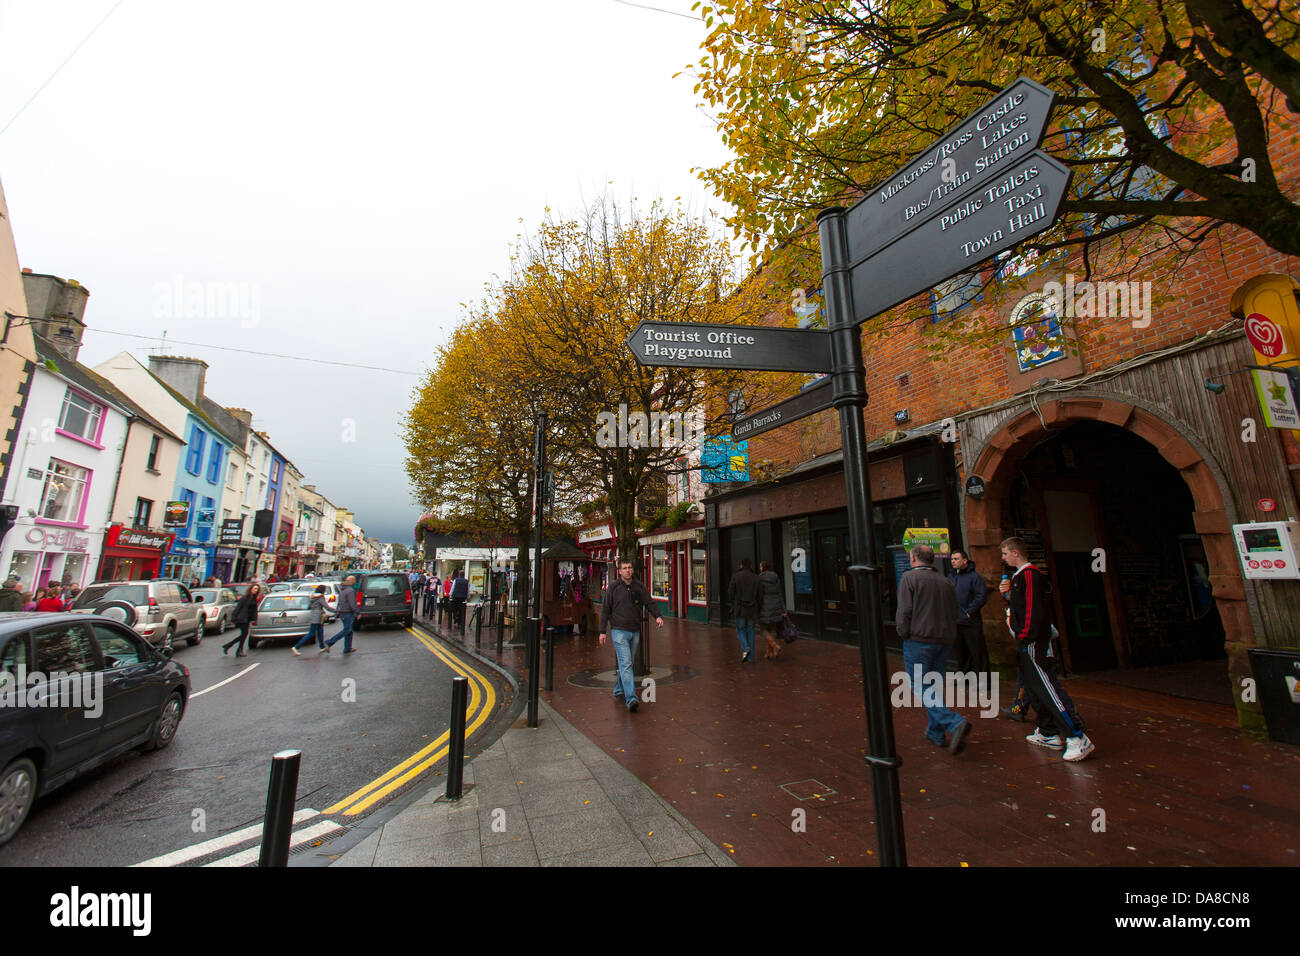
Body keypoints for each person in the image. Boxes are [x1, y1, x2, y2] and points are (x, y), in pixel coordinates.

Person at [1000, 537, 1094, 761]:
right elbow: (1021, 605)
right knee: (1033, 688)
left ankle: (1076, 736)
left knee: (1045, 686)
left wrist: (1025, 635)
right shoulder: (1018, 577)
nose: (1003, 558)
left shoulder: (1030, 575)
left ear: (1015, 553)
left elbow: (1032, 609)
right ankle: (1047, 732)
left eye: (1005, 553)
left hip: (1032, 641)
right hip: (1026, 640)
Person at [896, 544, 971, 755]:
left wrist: (903, 632)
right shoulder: (945, 581)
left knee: (919, 686)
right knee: (933, 686)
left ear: (913, 559)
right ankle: (935, 733)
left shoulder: (909, 579)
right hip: (944, 639)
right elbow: (953, 610)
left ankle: (953, 722)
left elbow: (905, 610)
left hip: (919, 639)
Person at [598, 559, 664, 713]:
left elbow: (649, 602)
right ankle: (631, 698)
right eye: (624, 568)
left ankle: (618, 689)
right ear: (619, 571)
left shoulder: (638, 587)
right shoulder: (613, 588)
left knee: (627, 663)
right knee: (627, 663)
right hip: (618, 630)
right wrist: (602, 632)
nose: (627, 570)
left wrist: (658, 616)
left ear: (632, 570)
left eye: (630, 568)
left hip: (635, 630)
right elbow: (605, 610)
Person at [948, 550, 989, 674]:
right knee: (961, 651)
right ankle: (963, 676)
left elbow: (981, 596)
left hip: (971, 621)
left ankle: (983, 680)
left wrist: (969, 611)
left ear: (965, 560)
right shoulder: (951, 576)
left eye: (956, 559)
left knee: (977, 651)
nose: (953, 562)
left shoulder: (974, 577)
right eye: (952, 559)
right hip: (955, 620)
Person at [727, 559, 761, 662]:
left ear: (741, 565)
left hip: (740, 608)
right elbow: (760, 595)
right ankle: (751, 658)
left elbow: (730, 592)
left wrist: (733, 603)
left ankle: (746, 648)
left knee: (740, 629)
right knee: (750, 631)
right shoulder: (756, 577)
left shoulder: (736, 576)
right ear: (750, 565)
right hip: (752, 609)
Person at [757, 560, 787, 661]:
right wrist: (783, 609)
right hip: (776, 606)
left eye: (760, 566)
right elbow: (780, 594)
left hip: (765, 607)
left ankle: (775, 646)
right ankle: (769, 652)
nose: (760, 568)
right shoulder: (776, 578)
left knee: (763, 629)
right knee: (772, 629)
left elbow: (759, 595)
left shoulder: (760, 578)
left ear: (763, 568)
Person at [224, 583, 262, 658]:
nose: (256, 590)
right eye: (254, 588)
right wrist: (234, 618)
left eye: (257, 589)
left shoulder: (254, 598)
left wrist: (255, 619)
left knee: (244, 635)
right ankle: (238, 650)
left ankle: (229, 646)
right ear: (250, 589)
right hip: (242, 618)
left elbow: (254, 610)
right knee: (244, 634)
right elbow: (238, 608)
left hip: (247, 619)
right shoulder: (245, 598)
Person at [325, 574, 359, 654]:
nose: (355, 581)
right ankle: (330, 642)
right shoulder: (350, 590)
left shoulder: (343, 590)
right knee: (347, 630)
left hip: (343, 612)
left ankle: (347, 648)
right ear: (351, 581)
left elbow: (341, 602)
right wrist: (357, 611)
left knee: (349, 631)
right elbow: (352, 603)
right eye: (354, 580)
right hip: (347, 612)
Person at [292, 586, 329, 655]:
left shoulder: (313, 597)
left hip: (314, 615)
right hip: (317, 617)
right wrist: (336, 611)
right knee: (311, 634)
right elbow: (326, 606)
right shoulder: (320, 598)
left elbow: (316, 607)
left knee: (320, 632)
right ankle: (296, 647)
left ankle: (322, 647)